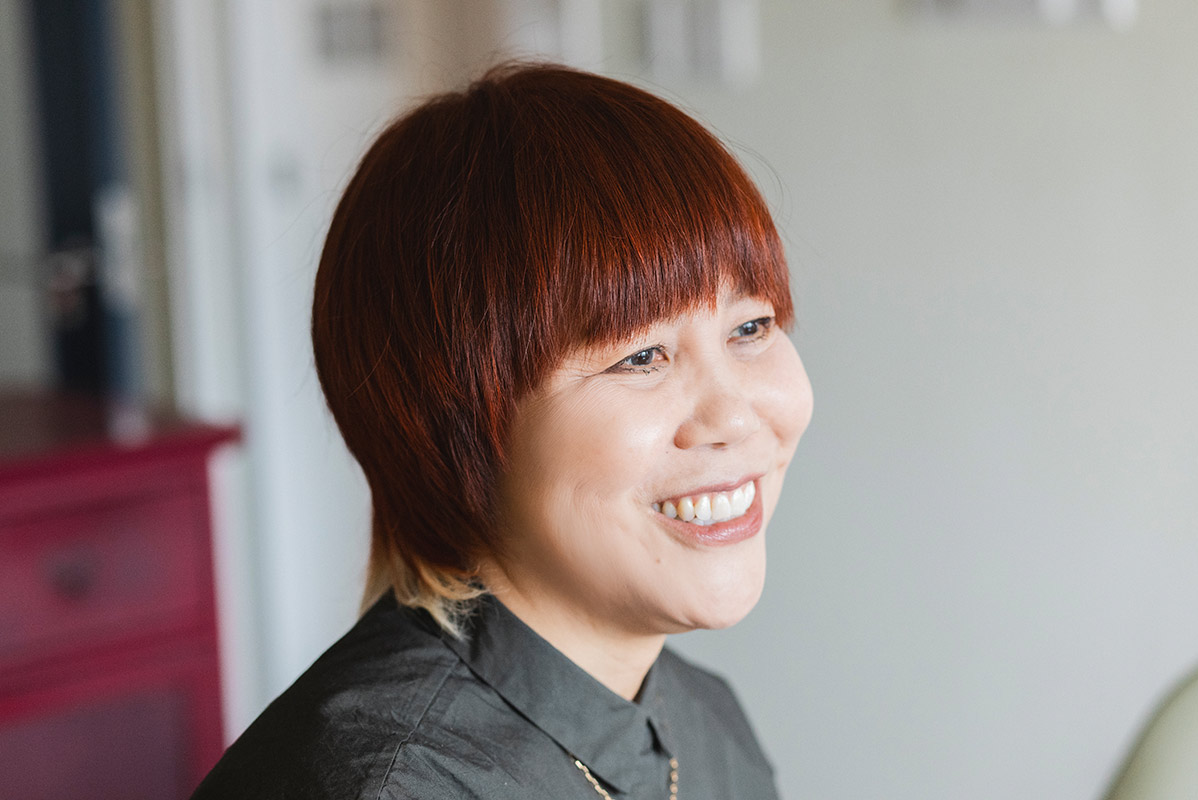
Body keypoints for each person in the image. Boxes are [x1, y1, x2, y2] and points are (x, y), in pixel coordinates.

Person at [191, 62, 813, 800]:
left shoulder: (707, 726)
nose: (734, 416)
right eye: (641, 356)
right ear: (448, 419)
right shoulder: (393, 787)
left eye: (751, 327)